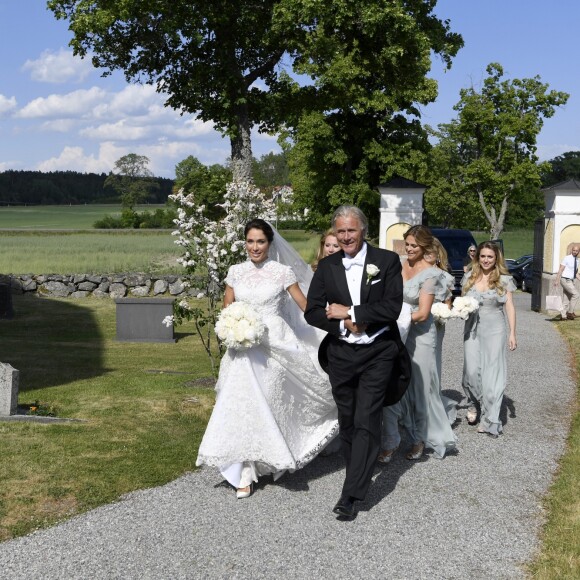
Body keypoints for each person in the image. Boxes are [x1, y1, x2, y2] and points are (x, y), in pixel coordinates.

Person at [196, 219, 338, 498]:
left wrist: (336, 321)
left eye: (260, 241)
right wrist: (232, 327)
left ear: (269, 243)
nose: (255, 247)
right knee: (239, 405)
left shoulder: (282, 272)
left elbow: (305, 307)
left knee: (269, 403)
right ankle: (243, 472)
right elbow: (227, 308)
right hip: (241, 348)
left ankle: (266, 460)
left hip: (275, 346)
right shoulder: (235, 272)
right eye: (250, 241)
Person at [305, 205, 405, 518]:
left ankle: (351, 495)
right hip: (341, 355)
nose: (346, 237)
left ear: (363, 230)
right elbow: (312, 310)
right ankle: (356, 473)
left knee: (367, 418)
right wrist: (339, 325)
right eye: (340, 231)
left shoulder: (386, 261)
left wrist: (352, 313)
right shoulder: (328, 266)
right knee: (348, 420)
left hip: (378, 352)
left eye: (351, 230)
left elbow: (392, 307)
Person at [382, 225, 457, 462]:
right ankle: (391, 439)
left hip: (420, 335)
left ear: (424, 246)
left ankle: (419, 438)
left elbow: (423, 313)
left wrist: (390, 320)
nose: (410, 249)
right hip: (397, 333)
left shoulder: (431, 274)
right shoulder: (398, 265)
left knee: (420, 387)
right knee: (393, 385)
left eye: (414, 245)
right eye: (408, 244)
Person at [461, 241, 517, 437]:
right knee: (471, 372)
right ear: (478, 257)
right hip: (472, 328)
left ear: (496, 259)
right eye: (483, 256)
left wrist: (512, 333)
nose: (485, 260)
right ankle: (474, 403)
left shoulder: (504, 279)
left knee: (492, 375)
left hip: (495, 329)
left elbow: (509, 306)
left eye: (490, 257)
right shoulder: (469, 277)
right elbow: (462, 301)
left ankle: (490, 418)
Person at [553, 244, 580, 321]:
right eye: (573, 250)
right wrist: (557, 280)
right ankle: (570, 313)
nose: (575, 252)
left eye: (576, 251)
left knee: (566, 299)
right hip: (565, 280)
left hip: (571, 280)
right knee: (576, 294)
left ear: (578, 251)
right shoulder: (567, 258)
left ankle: (563, 316)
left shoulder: (577, 260)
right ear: (572, 250)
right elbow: (561, 269)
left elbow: (575, 273)